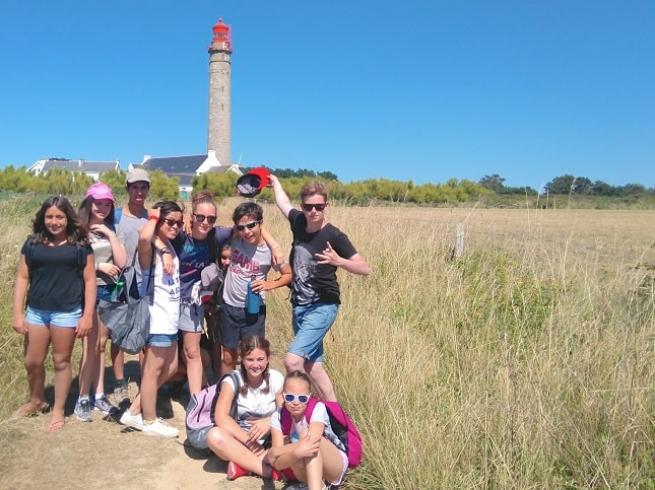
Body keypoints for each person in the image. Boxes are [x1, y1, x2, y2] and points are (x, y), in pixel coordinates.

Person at [269, 177, 370, 401]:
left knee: (293, 361)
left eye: (319, 206)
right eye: (308, 206)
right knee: (313, 366)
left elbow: (365, 268)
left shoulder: (334, 236)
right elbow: (283, 204)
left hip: (323, 306)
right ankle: (334, 416)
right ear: (302, 206)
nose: (313, 211)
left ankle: (300, 407)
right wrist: (275, 183)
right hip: (299, 307)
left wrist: (339, 261)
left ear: (327, 206)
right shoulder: (298, 222)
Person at [12, 196, 96, 432]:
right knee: (32, 361)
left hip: (67, 313)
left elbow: (90, 282)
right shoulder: (32, 244)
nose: (54, 221)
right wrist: (17, 313)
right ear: (42, 218)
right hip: (37, 311)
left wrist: (87, 315)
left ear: (68, 219)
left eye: (59, 217)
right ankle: (37, 400)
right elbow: (22, 277)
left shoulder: (80, 246)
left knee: (61, 360)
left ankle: (58, 410)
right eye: (49, 216)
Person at [119, 201, 182, 437]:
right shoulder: (152, 249)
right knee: (153, 371)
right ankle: (149, 420)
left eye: (178, 222)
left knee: (173, 366)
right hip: (156, 317)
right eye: (170, 222)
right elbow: (144, 237)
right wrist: (153, 218)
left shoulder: (168, 245)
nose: (175, 226)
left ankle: (135, 410)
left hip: (171, 318)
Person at [218, 202, 292, 375]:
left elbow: (289, 274)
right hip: (229, 306)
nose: (247, 232)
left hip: (253, 311)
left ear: (260, 223)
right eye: (242, 227)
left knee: (253, 356)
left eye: (251, 225)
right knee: (229, 356)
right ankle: (226, 393)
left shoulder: (269, 252)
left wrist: (270, 284)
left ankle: (253, 393)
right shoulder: (236, 238)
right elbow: (237, 228)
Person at [74, 182, 127, 421]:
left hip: (108, 292)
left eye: (107, 204)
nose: (103, 208)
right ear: (88, 203)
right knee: (89, 345)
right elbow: (71, 262)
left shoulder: (108, 227)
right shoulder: (78, 230)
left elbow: (122, 261)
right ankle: (83, 397)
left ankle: (99, 394)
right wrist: (98, 266)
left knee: (101, 345)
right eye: (98, 203)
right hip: (88, 292)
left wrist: (110, 234)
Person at [203, 336, 284, 481]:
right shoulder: (232, 380)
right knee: (214, 436)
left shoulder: (276, 378)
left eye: (260, 359)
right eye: (250, 359)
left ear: (267, 359)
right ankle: (266, 471)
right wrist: (250, 443)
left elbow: (284, 412)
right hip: (239, 441)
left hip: (270, 441)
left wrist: (270, 421)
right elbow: (221, 417)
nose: (255, 365)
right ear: (242, 359)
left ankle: (243, 466)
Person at [268, 371, 349, 490]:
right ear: (283, 396)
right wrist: (295, 453)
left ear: (309, 397)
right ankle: (320, 486)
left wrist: (279, 451)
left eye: (302, 398)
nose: (296, 403)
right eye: (290, 397)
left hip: (333, 464)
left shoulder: (317, 408)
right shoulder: (278, 416)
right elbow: (276, 462)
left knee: (312, 445)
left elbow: (313, 442)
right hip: (305, 468)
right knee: (293, 454)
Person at [112, 167, 151, 403]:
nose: (139, 191)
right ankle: (119, 383)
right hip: (118, 282)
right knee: (117, 334)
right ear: (127, 188)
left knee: (144, 334)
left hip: (143, 281)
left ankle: (145, 385)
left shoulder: (152, 217)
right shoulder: (115, 216)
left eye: (143, 186)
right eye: (135, 186)